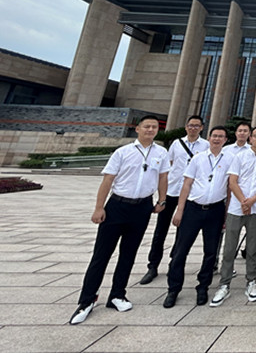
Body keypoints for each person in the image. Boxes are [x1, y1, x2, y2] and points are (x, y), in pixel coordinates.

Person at [70, 115, 169, 324]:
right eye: (147, 126)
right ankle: (87, 300)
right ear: (138, 129)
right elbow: (108, 180)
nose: (150, 130)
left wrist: (162, 200)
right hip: (117, 205)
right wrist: (99, 208)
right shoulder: (123, 152)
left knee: (128, 254)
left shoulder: (161, 152)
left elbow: (162, 177)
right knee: (101, 254)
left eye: (154, 127)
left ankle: (117, 295)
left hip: (142, 207)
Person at [164, 126, 233, 308]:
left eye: (220, 136)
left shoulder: (229, 160)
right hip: (193, 209)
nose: (217, 139)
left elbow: (229, 188)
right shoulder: (198, 158)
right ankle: (173, 289)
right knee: (181, 250)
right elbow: (187, 184)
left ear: (225, 140)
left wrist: (226, 213)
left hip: (215, 210)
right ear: (209, 138)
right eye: (214, 136)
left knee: (210, 252)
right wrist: (180, 210)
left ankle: (203, 286)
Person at [139, 114, 208, 285]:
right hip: (171, 191)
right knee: (160, 231)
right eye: (190, 125)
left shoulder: (206, 146)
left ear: (201, 128)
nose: (193, 128)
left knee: (182, 233)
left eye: (196, 126)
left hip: (190, 195)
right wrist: (161, 195)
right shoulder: (177, 144)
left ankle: (174, 263)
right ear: (186, 127)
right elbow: (167, 166)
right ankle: (153, 265)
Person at [211, 125, 256, 307]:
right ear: (250, 138)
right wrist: (243, 201)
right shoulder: (239, 156)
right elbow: (232, 181)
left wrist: (252, 201)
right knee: (230, 248)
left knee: (253, 248)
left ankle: (251, 281)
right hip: (236, 209)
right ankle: (224, 284)